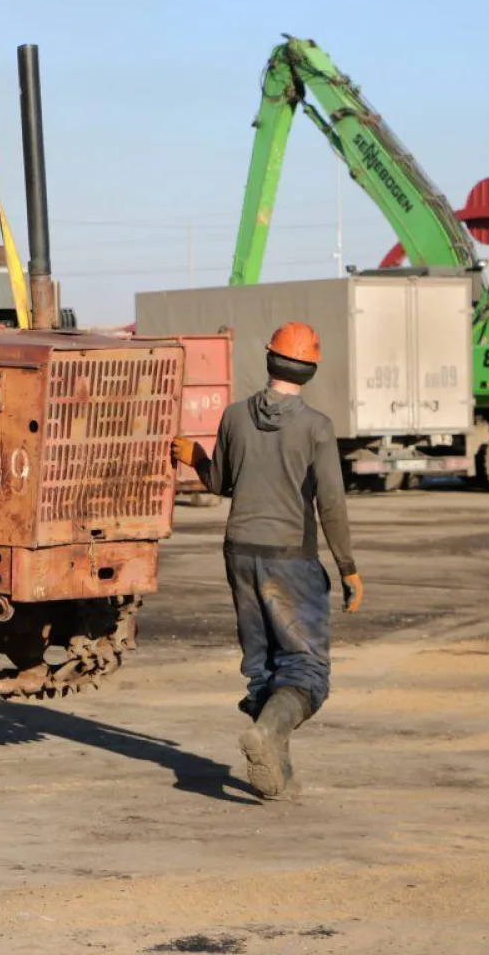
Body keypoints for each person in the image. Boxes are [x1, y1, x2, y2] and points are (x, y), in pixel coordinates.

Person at [171, 322, 363, 801]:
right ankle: (269, 735)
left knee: (263, 667)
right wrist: (348, 568)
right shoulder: (316, 427)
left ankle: (279, 771)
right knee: (306, 668)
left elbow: (219, 483)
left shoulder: (235, 417)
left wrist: (196, 457)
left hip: (240, 553)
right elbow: (332, 506)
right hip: (290, 559)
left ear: (269, 359)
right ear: (311, 369)